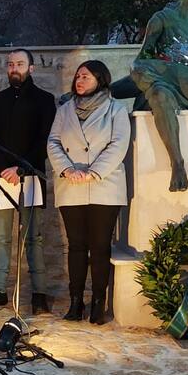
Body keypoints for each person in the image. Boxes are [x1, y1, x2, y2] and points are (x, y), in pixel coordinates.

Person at [47, 60, 130, 325]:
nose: (79, 81)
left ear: (100, 80)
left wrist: (94, 172)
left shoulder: (116, 109)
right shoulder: (65, 109)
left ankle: (97, 301)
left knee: (100, 245)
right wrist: (67, 170)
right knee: (77, 245)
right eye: (78, 76)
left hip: (104, 185)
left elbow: (119, 145)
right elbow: (53, 142)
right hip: (71, 184)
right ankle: (75, 302)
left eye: (86, 76)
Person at [0, 48, 56, 314]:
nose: (15, 68)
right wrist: (4, 169)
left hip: (30, 175)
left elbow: (46, 140)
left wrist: (21, 168)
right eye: (11, 64)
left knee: (33, 238)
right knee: (0, 238)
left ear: (31, 68)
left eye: (20, 64)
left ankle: (39, 293)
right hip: (1, 176)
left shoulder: (45, 100)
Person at [130, 0, 188, 190]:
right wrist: (166, 64)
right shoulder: (162, 18)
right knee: (158, 94)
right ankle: (177, 162)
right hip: (165, 82)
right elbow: (142, 59)